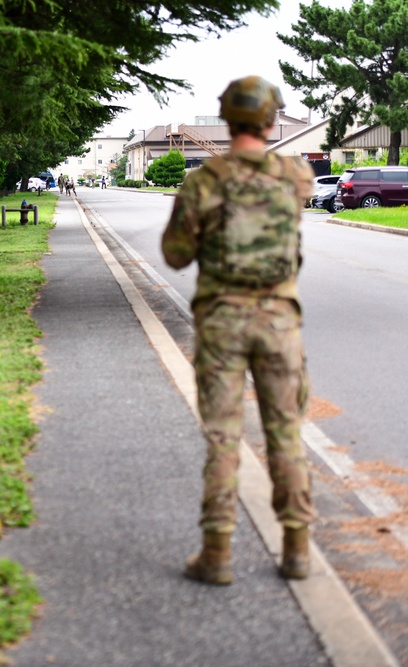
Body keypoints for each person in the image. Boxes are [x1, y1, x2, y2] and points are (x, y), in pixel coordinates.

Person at [161, 75, 316, 586]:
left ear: (227, 119)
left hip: (222, 322)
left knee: (224, 436)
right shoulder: (296, 176)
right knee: (285, 434)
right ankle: (296, 550)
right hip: (278, 322)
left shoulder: (204, 179)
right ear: (273, 121)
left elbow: (175, 255)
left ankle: (217, 554)